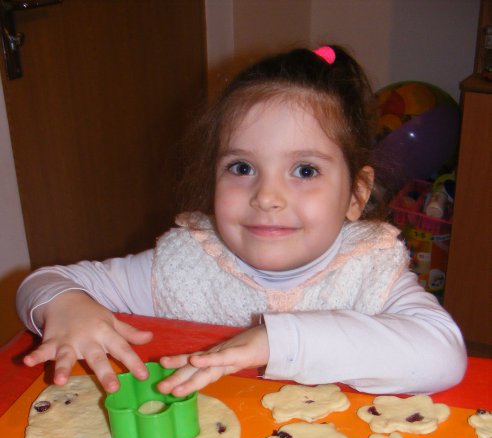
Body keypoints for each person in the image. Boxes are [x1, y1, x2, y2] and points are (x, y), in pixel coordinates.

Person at [16, 45, 466, 397]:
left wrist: (277, 343)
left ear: (356, 195)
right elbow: (44, 283)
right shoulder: (186, 264)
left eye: (305, 170)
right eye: (242, 167)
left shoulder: (368, 270)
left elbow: (443, 356)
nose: (266, 196)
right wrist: (66, 308)